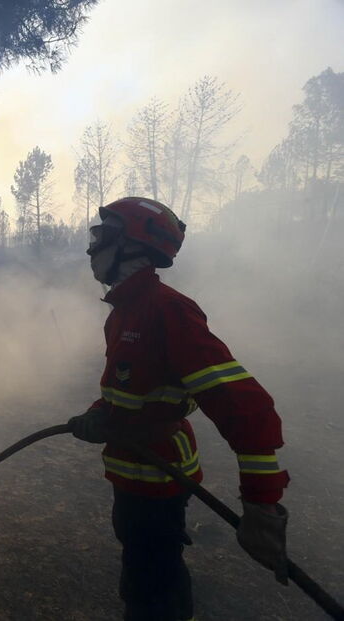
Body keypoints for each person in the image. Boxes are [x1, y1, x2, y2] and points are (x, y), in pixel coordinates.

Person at [67, 197, 291, 621]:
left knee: (155, 589)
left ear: (132, 245)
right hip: (131, 474)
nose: (92, 247)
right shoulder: (124, 312)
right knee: (143, 574)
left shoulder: (168, 310)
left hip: (159, 476)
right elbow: (134, 389)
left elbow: (246, 406)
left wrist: (261, 502)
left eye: (102, 236)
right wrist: (101, 413)